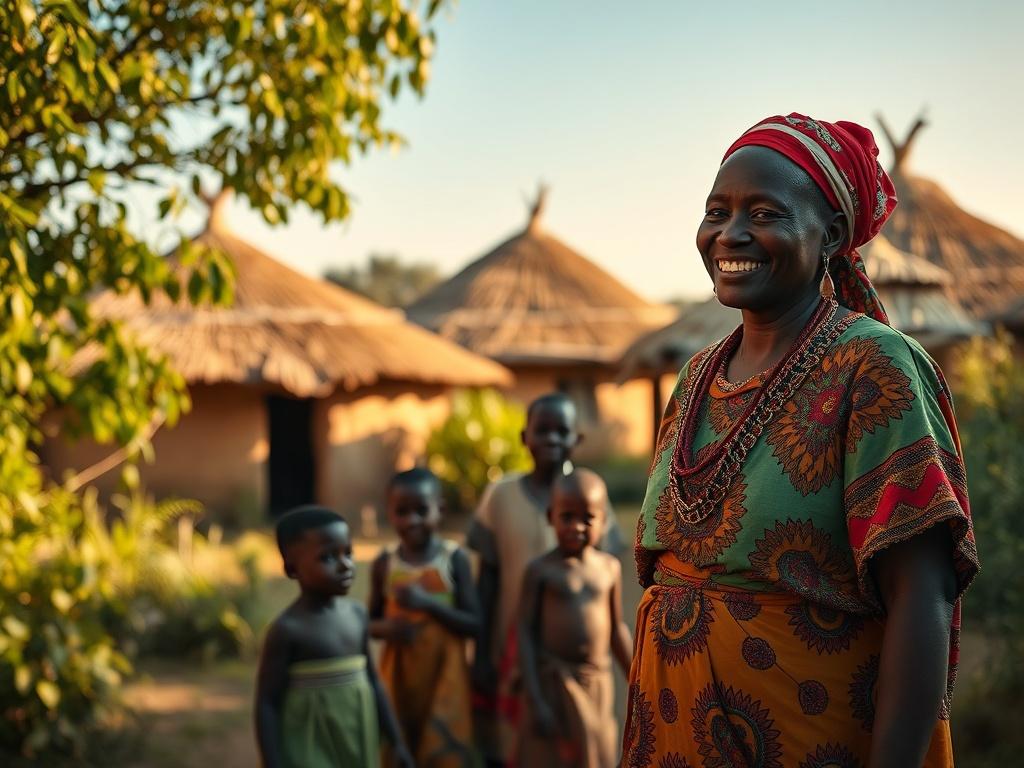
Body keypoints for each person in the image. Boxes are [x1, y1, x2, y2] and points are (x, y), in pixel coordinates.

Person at [622, 114, 980, 768]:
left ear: (833, 235)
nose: (730, 233)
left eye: (764, 213)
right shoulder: (695, 377)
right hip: (669, 733)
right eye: (716, 211)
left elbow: (919, 596)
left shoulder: (875, 369)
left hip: (810, 739)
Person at [467, 392, 626, 766]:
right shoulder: (501, 495)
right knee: (522, 742)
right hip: (516, 647)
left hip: (580, 664)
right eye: (542, 431)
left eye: (562, 432)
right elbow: (487, 578)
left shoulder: (591, 494)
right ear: (525, 437)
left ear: (577, 440)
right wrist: (481, 654)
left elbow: (603, 579)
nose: (552, 440)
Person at [254, 506, 412, 768]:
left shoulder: (358, 616)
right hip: (308, 746)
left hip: (356, 739)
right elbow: (267, 703)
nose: (345, 564)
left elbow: (373, 681)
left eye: (348, 552)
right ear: (292, 569)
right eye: (328, 557)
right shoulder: (288, 630)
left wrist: (397, 742)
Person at [516, 468, 632, 768]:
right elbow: (526, 633)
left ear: (604, 521)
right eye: (567, 517)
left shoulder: (609, 568)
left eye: (588, 518)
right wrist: (535, 697)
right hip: (553, 684)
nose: (577, 527)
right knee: (550, 757)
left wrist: (638, 679)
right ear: (550, 517)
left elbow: (616, 628)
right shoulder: (541, 571)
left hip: (596, 683)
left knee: (598, 753)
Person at [368, 467, 482, 767]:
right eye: (401, 512)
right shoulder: (384, 564)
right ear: (389, 513)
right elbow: (369, 624)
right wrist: (389, 629)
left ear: (440, 510)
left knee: (443, 751)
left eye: (421, 510)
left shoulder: (454, 559)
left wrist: (428, 605)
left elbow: (475, 623)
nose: (411, 520)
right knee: (399, 748)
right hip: (399, 678)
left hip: (446, 678)